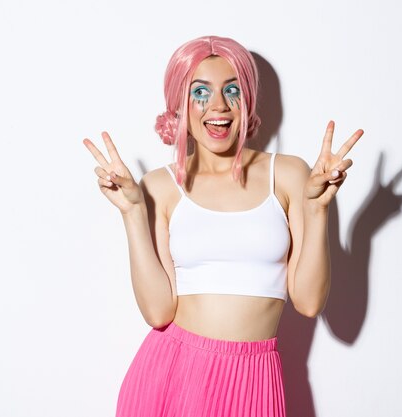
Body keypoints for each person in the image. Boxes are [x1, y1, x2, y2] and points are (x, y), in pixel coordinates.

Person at [83, 35, 363, 417]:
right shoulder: (159, 187)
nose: (219, 105)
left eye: (232, 90)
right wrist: (132, 213)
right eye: (201, 92)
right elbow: (158, 312)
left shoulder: (289, 175)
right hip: (172, 373)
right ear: (179, 105)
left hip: (255, 378)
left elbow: (310, 302)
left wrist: (318, 212)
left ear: (247, 99)